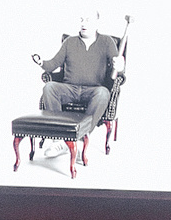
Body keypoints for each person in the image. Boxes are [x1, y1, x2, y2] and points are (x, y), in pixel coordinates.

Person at [37, 11, 128, 144]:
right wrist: (41, 63)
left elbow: (118, 73)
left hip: (93, 91)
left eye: (88, 20)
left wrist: (120, 67)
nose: (83, 23)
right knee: (49, 87)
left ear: (97, 23)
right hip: (69, 89)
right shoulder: (70, 42)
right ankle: (60, 140)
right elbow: (53, 64)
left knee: (103, 93)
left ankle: (80, 139)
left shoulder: (107, 42)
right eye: (81, 20)